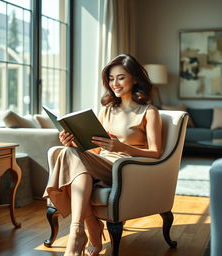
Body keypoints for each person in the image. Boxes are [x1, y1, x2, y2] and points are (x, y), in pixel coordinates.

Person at [43, 53, 163, 256]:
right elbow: (95, 150)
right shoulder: (106, 110)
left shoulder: (149, 112)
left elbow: (156, 152)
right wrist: (72, 142)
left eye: (121, 77)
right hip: (100, 164)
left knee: (69, 158)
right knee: (69, 152)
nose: (114, 83)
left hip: (124, 169)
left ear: (134, 78)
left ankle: (89, 229)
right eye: (111, 78)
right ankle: (79, 230)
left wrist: (121, 147)